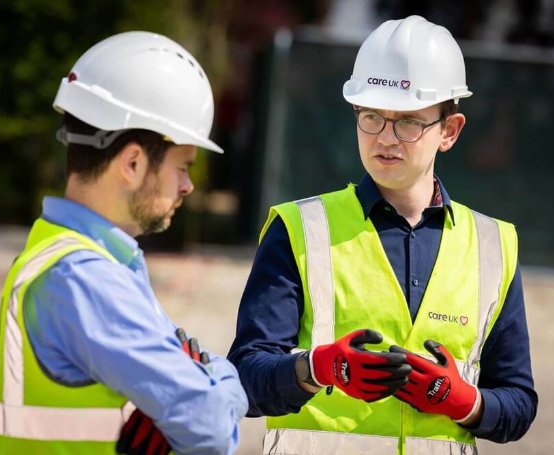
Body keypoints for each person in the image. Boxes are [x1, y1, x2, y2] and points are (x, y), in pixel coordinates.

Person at [228, 15, 538, 454]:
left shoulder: (493, 245)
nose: (385, 138)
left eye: (409, 122)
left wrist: (466, 402)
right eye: (371, 116)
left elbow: (518, 403)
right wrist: (317, 368)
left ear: (449, 131)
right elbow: (244, 378)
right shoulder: (299, 230)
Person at [0, 31, 248, 454]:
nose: (188, 186)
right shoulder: (87, 280)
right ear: (133, 163)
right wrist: (227, 382)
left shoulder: (59, 253)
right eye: (183, 167)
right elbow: (213, 431)